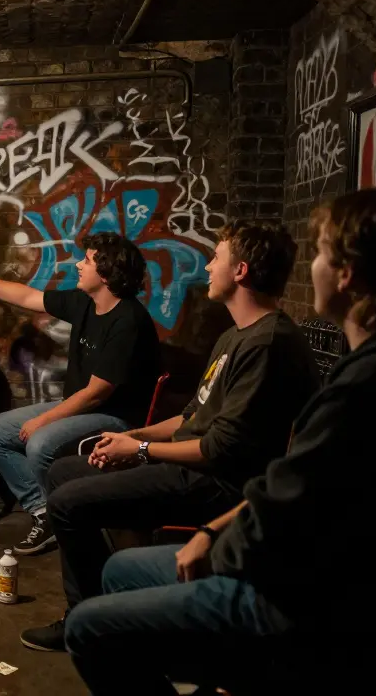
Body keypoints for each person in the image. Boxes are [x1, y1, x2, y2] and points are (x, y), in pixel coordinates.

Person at [63, 189, 376, 695]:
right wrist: (209, 529)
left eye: (321, 252)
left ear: (348, 274)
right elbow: (293, 482)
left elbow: (283, 507)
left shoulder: (372, 386)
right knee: (119, 567)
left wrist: (215, 546)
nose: (310, 266)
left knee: (90, 630)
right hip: (313, 576)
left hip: (314, 606)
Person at [19, 220, 320, 652]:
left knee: (66, 502)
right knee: (63, 472)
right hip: (193, 464)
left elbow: (220, 449)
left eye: (216, 257)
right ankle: (108, 603)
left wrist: (141, 450)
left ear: (241, 271)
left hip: (218, 481)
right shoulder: (235, 335)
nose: (208, 266)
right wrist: (133, 435)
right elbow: (191, 415)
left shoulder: (267, 343)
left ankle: (86, 624)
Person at [0, 232, 161, 555]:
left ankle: (66, 516)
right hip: (83, 408)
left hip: (115, 418)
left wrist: (43, 420)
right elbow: (28, 296)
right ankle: (45, 512)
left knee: (40, 443)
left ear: (105, 275)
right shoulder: (85, 302)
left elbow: (96, 394)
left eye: (86, 261)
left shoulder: (128, 321)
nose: (78, 265)